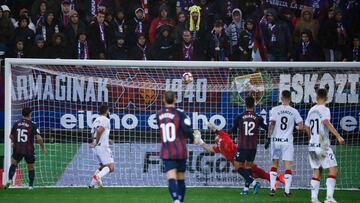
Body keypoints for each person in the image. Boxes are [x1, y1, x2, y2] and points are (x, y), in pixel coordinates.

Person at [194, 123, 285, 186]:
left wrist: (209, 124)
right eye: (216, 137)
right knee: (259, 174)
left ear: (219, 139)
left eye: (217, 137)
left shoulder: (225, 139)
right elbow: (209, 148)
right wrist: (200, 142)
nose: (216, 137)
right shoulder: (220, 148)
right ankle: (276, 179)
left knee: (260, 173)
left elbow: (216, 130)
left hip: (243, 162)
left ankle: (276, 179)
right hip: (241, 164)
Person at [156, 91, 198, 203]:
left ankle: (176, 200)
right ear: (175, 99)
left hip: (167, 151)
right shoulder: (180, 114)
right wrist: (193, 138)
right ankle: (180, 200)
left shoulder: (158, 114)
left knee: (171, 178)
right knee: (180, 178)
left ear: (163, 100)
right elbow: (187, 130)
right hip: (181, 151)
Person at [305, 89, 345, 203]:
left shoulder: (311, 110)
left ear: (316, 97)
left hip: (312, 145)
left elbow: (306, 126)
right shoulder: (325, 109)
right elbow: (326, 122)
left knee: (317, 171)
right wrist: (338, 136)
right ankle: (329, 198)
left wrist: (312, 138)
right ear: (326, 98)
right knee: (333, 170)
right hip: (322, 144)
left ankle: (314, 198)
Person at [267, 90, 304, 197]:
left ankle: (273, 188)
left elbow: (272, 124)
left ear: (281, 98)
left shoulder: (274, 109)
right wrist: (295, 128)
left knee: (274, 165)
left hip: (276, 142)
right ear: (290, 98)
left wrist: (268, 137)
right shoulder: (294, 111)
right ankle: (287, 191)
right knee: (288, 166)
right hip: (287, 142)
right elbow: (301, 126)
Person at [229, 96, 266, 195]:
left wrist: (224, 135)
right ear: (254, 104)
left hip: (242, 146)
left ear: (245, 104)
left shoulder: (240, 116)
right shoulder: (258, 117)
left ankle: (254, 183)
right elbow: (266, 128)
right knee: (248, 167)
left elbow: (232, 130)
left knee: (237, 166)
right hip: (253, 147)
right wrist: (269, 139)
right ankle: (245, 189)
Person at [5, 107, 47, 189]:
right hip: (28, 149)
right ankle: (30, 186)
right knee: (30, 166)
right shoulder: (32, 124)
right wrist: (43, 148)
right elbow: (39, 138)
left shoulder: (16, 123)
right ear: (30, 114)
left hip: (18, 148)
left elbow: (10, 136)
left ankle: (10, 179)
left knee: (14, 163)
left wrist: (16, 142)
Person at [89, 105, 115, 188]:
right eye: (108, 110)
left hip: (95, 147)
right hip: (102, 146)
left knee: (102, 166)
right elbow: (100, 130)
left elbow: (93, 134)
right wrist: (97, 142)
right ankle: (98, 177)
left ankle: (91, 185)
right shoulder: (105, 120)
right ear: (107, 111)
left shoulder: (96, 120)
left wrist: (96, 142)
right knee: (110, 167)